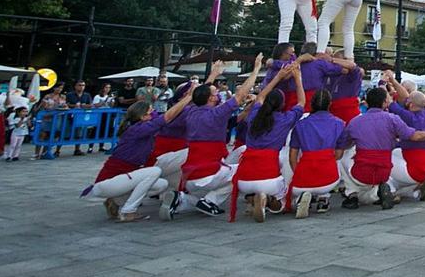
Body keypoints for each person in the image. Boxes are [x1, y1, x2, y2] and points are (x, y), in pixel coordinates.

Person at [159, 59, 262, 220]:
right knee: (246, 168)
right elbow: (240, 94)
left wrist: (213, 74)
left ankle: (182, 200)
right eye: (215, 94)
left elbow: (199, 94)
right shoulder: (217, 114)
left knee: (239, 156)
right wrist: (256, 69)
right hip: (208, 174)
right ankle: (210, 200)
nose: (217, 95)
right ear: (212, 99)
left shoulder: (191, 111)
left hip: (189, 176)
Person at [79, 99, 188, 222]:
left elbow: (168, 117)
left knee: (161, 184)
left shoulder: (139, 127)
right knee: (154, 171)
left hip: (119, 180)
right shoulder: (137, 129)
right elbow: (167, 117)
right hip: (106, 183)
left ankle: (116, 201)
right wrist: (188, 97)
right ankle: (128, 212)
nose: (153, 113)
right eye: (150, 111)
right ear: (142, 116)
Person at [337, 86, 425, 210]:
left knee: (342, 158)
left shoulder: (355, 122)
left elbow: (341, 149)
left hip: (362, 173)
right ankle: (389, 191)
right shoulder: (393, 119)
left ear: (366, 102)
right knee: (392, 157)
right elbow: (415, 136)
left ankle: (353, 195)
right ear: (384, 103)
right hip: (384, 173)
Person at [229, 63, 305, 222]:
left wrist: (277, 77)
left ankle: (253, 198)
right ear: (282, 105)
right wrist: (298, 79)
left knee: (255, 183)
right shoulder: (285, 119)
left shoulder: (254, 114)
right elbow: (301, 103)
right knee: (282, 203)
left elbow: (260, 96)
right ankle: (267, 200)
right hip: (268, 177)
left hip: (244, 179)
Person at [287, 88, 346, 218]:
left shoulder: (300, 125)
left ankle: (302, 196)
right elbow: (339, 155)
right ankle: (323, 198)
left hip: (303, 177)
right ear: (330, 103)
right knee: (337, 162)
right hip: (328, 177)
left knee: (301, 185)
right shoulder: (339, 123)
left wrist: (297, 173)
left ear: (311, 103)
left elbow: (292, 155)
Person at [326, 56, 364, 125]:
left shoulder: (354, 74)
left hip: (349, 114)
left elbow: (353, 66)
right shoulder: (334, 73)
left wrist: (332, 59)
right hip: (333, 112)